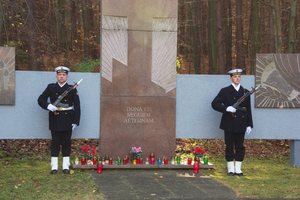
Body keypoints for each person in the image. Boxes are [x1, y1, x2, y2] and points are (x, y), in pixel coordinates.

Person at [38, 66, 81, 174]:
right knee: (55, 142)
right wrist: (48, 106)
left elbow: (77, 106)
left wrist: (76, 121)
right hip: (55, 118)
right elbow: (41, 99)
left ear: (67, 77)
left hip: (68, 119)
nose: (61, 77)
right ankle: (54, 167)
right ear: (56, 76)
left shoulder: (72, 89)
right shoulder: (51, 87)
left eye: (64, 75)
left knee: (66, 142)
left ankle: (66, 166)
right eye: (60, 75)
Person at [211, 69, 253, 176]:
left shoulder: (245, 92)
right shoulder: (225, 91)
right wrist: (227, 108)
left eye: (239, 76)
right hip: (229, 122)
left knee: (240, 146)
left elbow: (248, 109)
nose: (237, 78)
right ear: (231, 78)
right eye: (235, 77)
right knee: (229, 145)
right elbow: (214, 104)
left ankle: (238, 169)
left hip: (241, 122)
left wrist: (249, 124)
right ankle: (230, 168)